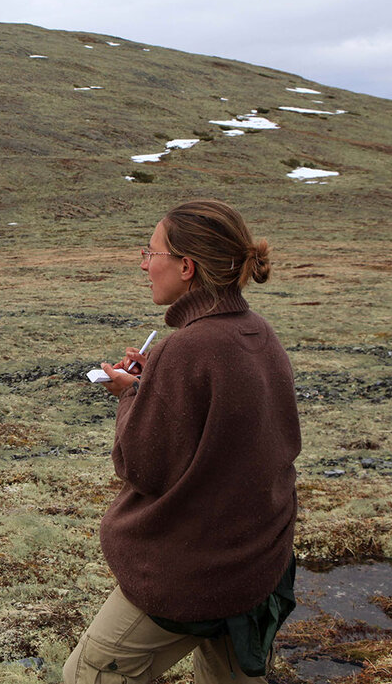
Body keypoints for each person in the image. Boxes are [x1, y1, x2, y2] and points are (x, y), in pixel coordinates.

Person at [63, 200, 302, 683]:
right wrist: (153, 388)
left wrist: (131, 399)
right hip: (258, 560)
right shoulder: (257, 331)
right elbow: (231, 431)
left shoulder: (191, 346)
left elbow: (142, 465)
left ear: (186, 266)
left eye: (151, 252)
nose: (145, 264)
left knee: (88, 675)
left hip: (195, 570)